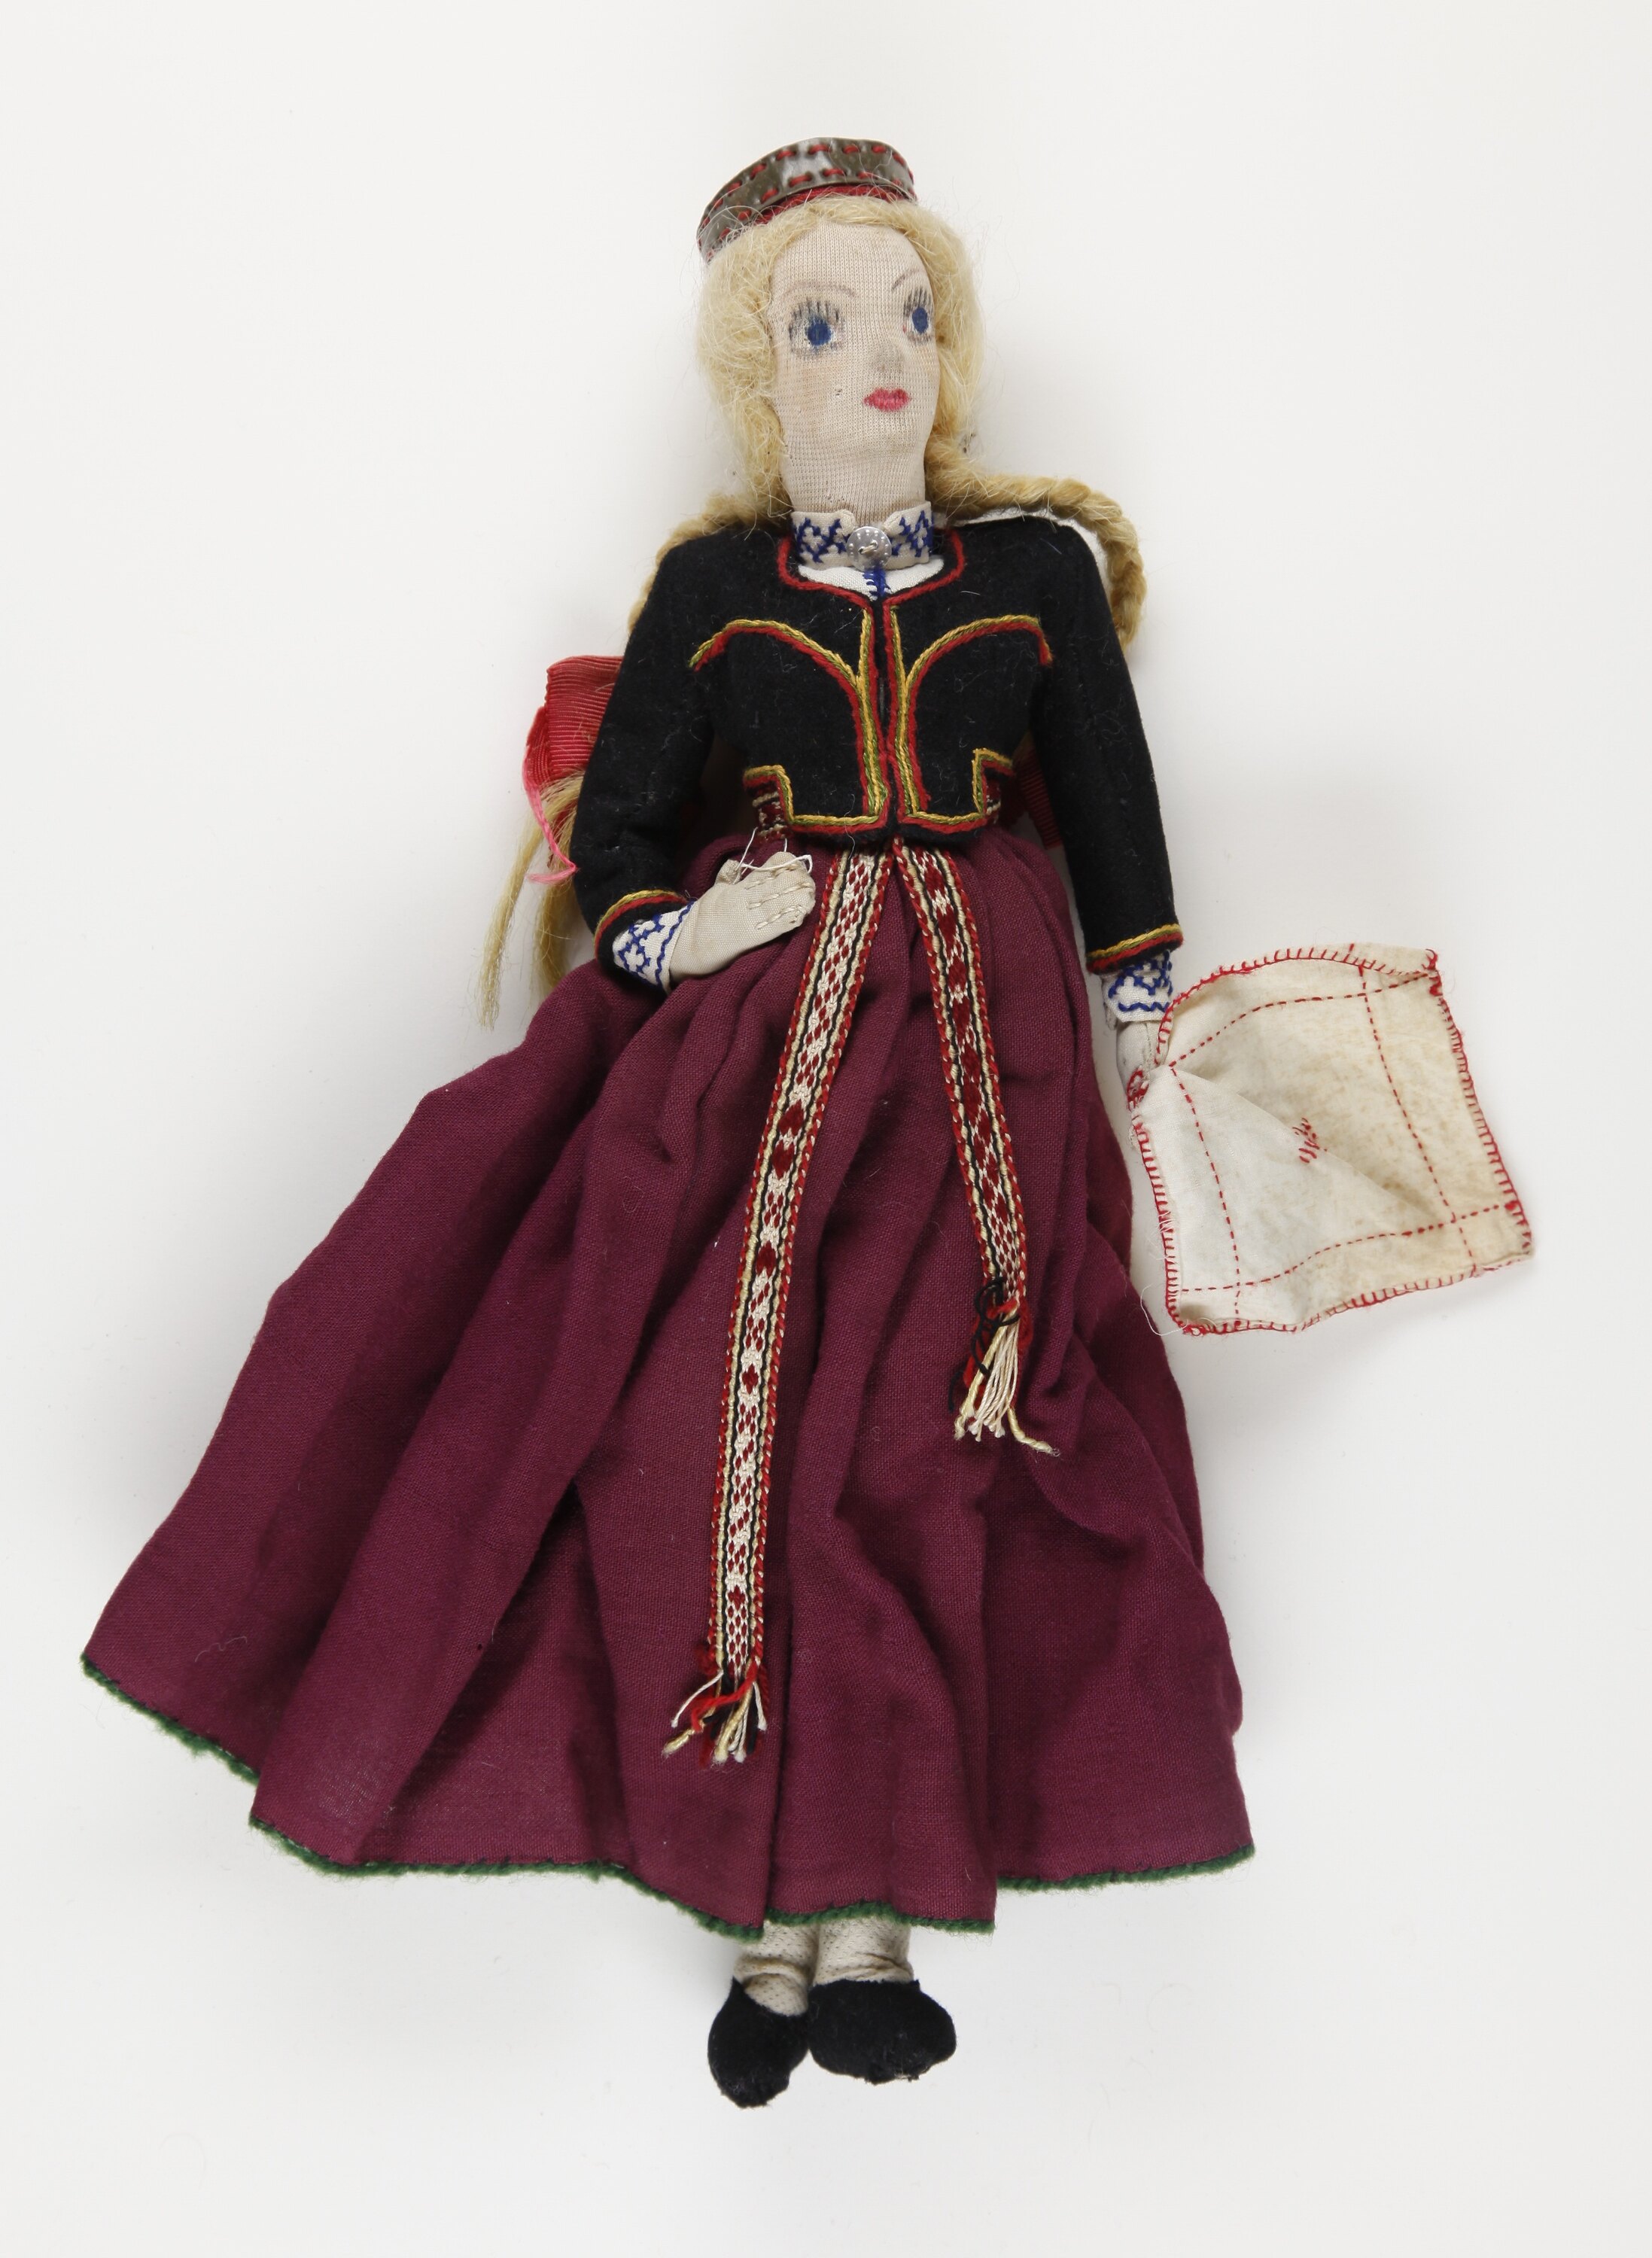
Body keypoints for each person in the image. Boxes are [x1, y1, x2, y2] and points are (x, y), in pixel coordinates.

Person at [84, 138, 1251, 2110]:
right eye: (824, 323)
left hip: (988, 1055)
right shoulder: (712, 595)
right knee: (717, 1428)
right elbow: (624, 823)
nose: (880, 354)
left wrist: (1148, 1006)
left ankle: (860, 1938)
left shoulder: (1032, 576)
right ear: (757, 375)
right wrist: (676, 924)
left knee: (926, 1453)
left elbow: (1111, 803)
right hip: (748, 1048)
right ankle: (764, 1926)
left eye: (912, 313)